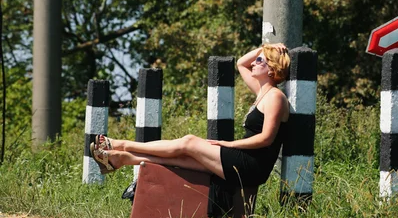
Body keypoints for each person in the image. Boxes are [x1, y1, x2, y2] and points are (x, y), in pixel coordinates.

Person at [90, 43, 290, 187]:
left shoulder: (276, 98)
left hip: (251, 166)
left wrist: (229, 144)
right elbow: (240, 63)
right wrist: (266, 47)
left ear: (271, 69)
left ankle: (120, 144)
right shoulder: (262, 91)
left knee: (189, 142)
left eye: (260, 60)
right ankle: (123, 159)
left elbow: (266, 139)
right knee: (181, 159)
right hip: (241, 160)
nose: (254, 62)